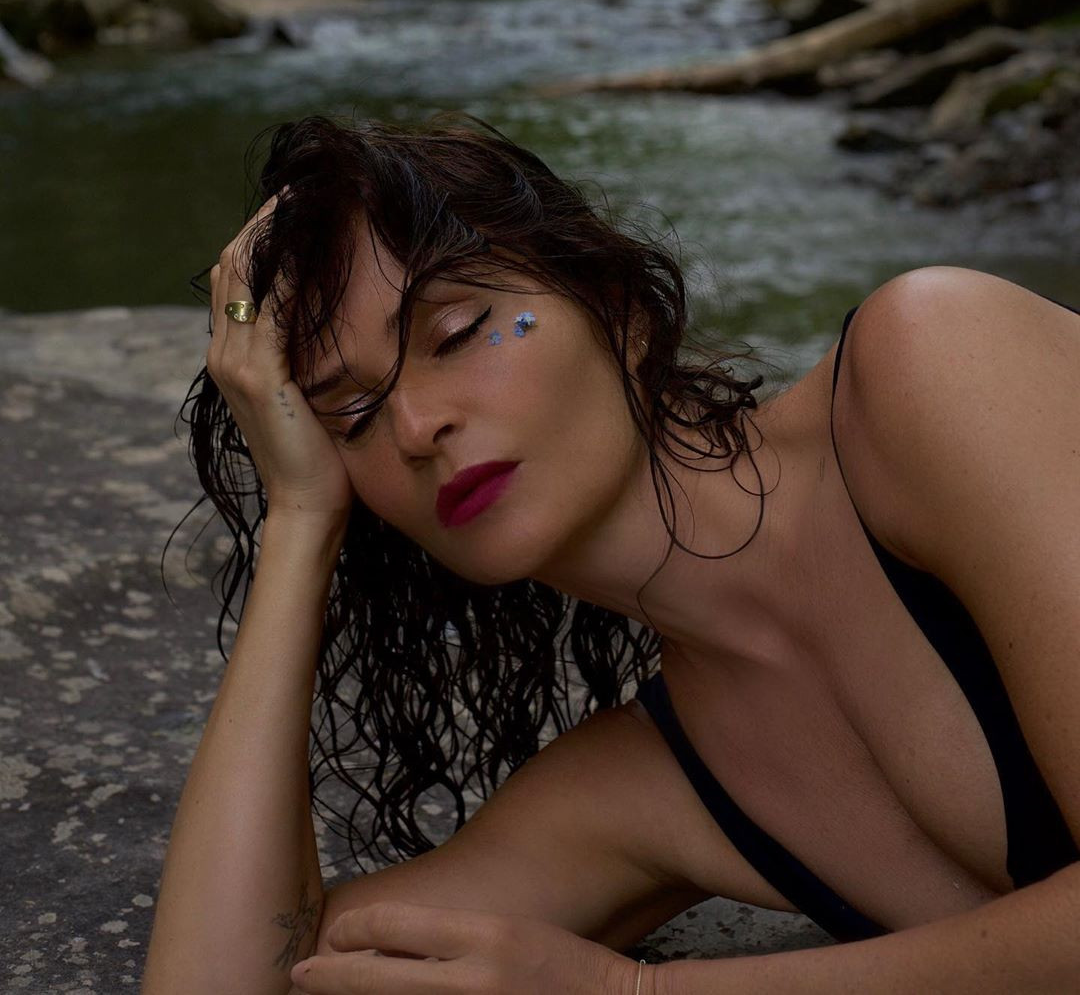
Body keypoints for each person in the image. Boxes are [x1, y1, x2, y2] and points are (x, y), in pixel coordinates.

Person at [141, 112, 1080, 995]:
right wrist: (303, 519)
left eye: (456, 334)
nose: (417, 426)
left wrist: (633, 990)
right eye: (352, 413)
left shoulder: (937, 358)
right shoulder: (656, 786)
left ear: (620, 311)